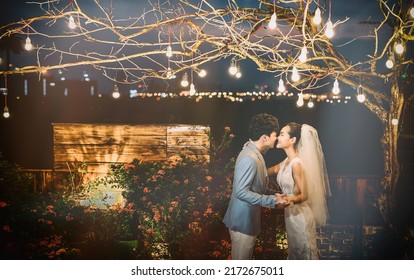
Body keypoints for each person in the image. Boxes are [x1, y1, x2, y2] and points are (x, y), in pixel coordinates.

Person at [223, 113, 287, 260]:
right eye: (274, 134)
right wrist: (272, 201)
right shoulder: (249, 157)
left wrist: (275, 195)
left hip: (246, 219)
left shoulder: (254, 152)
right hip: (242, 221)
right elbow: (241, 192)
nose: (276, 138)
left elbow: (256, 187)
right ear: (265, 137)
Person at [267, 122, 330, 260]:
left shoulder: (296, 164)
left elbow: (304, 195)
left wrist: (287, 199)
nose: (278, 137)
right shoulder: (285, 162)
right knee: (295, 255)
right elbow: (266, 172)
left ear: (292, 140)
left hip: (301, 217)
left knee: (304, 256)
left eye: (282, 134)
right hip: (290, 217)